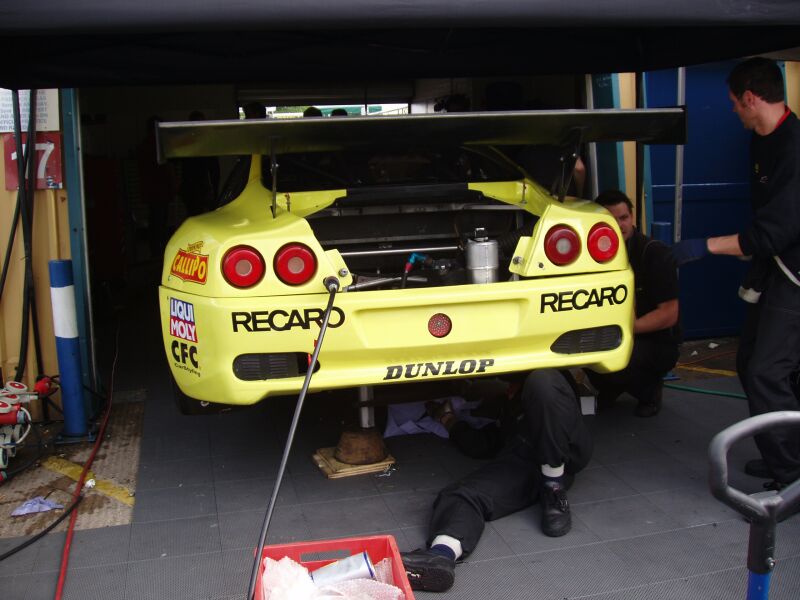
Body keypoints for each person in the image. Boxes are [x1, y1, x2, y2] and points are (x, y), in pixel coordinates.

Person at [672, 57, 800, 489]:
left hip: (796, 275)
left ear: (750, 98)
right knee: (750, 363)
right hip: (776, 268)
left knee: (767, 370)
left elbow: (770, 233)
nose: (732, 111)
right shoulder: (763, 140)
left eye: (733, 102)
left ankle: (793, 477)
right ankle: (785, 453)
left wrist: (702, 247)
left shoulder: (795, 149)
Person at [400, 369, 592, 592]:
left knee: (543, 381)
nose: (507, 389)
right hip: (526, 462)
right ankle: (441, 555)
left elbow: (547, 389)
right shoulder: (508, 413)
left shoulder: (552, 381)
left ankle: (553, 485)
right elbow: (483, 444)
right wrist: (448, 419)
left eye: (510, 384)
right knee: (460, 494)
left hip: (566, 452)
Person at [587, 189, 681, 417]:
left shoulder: (654, 254)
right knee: (585, 352)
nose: (620, 225)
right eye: (611, 220)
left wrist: (627, 329)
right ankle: (611, 386)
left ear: (632, 218)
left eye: (624, 218)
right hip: (611, 332)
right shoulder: (591, 257)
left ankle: (649, 391)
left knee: (624, 358)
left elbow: (669, 314)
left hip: (653, 341)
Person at [178, 110, 220, 216]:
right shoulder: (203, 142)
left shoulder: (187, 141)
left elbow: (214, 168)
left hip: (196, 185)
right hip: (197, 185)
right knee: (202, 214)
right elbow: (214, 168)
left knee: (197, 214)